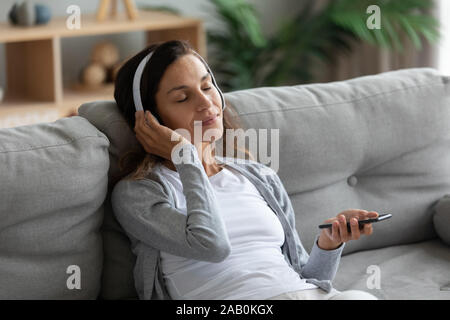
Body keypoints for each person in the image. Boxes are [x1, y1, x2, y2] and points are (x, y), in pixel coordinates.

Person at [111, 40, 379, 300]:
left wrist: (328, 243)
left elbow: (304, 279)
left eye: (207, 86)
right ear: (150, 120)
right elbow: (211, 245)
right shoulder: (138, 193)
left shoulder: (259, 177)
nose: (206, 103)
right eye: (182, 98)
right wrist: (186, 157)